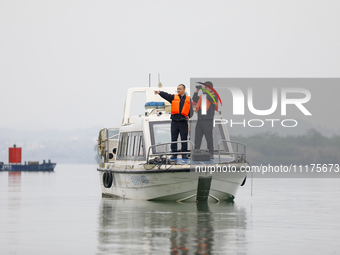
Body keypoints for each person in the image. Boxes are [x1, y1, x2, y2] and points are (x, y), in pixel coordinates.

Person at [154, 84, 193, 159]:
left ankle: (184, 153)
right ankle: (174, 153)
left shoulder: (188, 99)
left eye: (180, 89)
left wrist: (189, 116)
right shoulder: (173, 98)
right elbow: (166, 95)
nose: (178, 90)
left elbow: (191, 111)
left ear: (184, 90)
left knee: (184, 138)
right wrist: (159, 92)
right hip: (174, 122)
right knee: (174, 138)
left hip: (183, 122)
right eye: (177, 89)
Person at [192, 81, 218, 159]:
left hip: (208, 119)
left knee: (208, 137)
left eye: (206, 87)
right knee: (198, 136)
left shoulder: (214, 95)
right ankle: (196, 151)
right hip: (200, 119)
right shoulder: (202, 96)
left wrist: (205, 91)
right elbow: (195, 99)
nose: (204, 89)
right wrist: (197, 91)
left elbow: (210, 98)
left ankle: (211, 152)